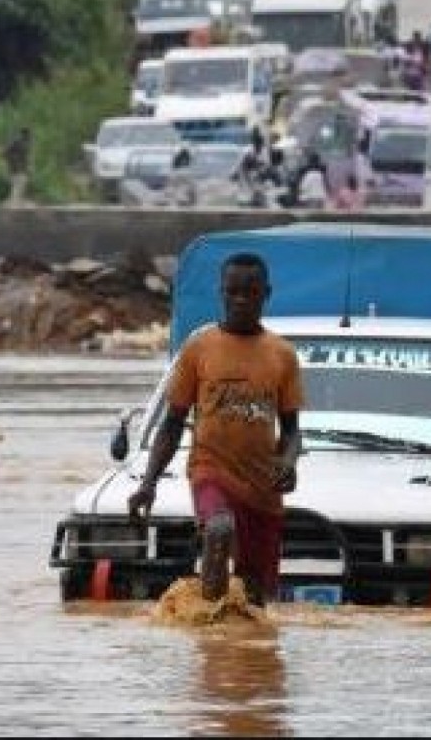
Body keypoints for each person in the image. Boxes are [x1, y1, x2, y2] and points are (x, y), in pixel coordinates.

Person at [127, 253, 304, 606]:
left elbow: (292, 430)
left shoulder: (282, 355)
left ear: (266, 294)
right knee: (219, 528)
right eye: (232, 292)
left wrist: (288, 461)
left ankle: (233, 636)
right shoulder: (199, 348)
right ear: (221, 293)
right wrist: (148, 484)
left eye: (250, 292)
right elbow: (172, 423)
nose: (241, 300)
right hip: (211, 470)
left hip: (263, 488)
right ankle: (209, 619)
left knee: (256, 598)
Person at [2, 127, 31, 206]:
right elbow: (5, 152)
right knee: (19, 184)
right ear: (25, 135)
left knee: (19, 185)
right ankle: (13, 204)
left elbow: (5, 153)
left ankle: (14, 202)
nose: (29, 138)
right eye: (28, 136)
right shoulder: (18, 142)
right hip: (16, 168)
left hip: (17, 168)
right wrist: (12, 160)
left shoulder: (21, 143)